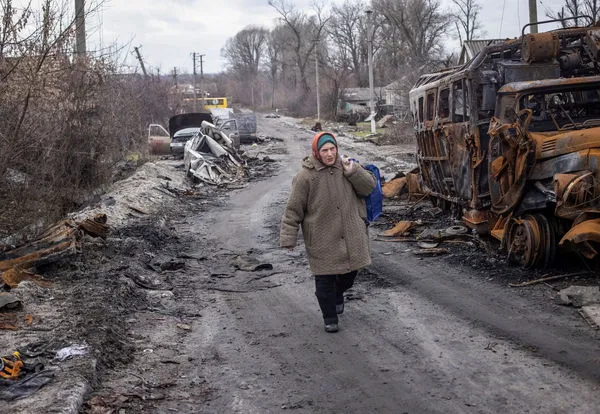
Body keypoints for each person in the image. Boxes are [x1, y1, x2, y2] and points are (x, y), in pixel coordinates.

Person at [280, 132, 376, 333]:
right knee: (324, 280)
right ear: (317, 152)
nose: (330, 154)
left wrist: (354, 171)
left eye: (333, 149)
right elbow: (293, 209)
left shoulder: (347, 167)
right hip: (322, 236)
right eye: (325, 150)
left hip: (351, 233)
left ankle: (338, 294)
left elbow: (369, 188)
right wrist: (288, 237)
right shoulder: (305, 176)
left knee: (350, 274)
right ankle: (329, 317)